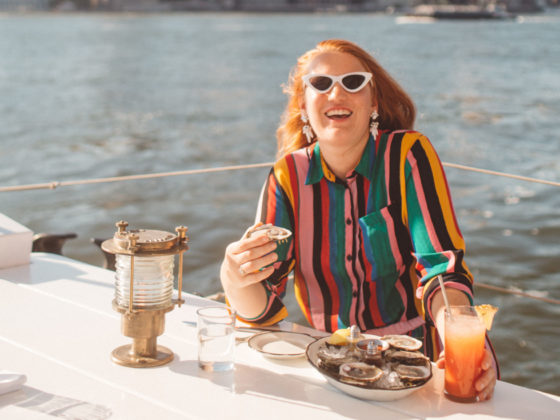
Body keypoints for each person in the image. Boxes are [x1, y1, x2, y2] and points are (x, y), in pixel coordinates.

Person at [220, 39, 497, 400]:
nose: (336, 92)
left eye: (353, 82)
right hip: (327, 363)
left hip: (416, 364)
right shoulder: (285, 177)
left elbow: (440, 270)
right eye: (320, 84)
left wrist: (460, 335)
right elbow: (264, 308)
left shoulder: (409, 155)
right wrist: (233, 279)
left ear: (374, 102)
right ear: (304, 104)